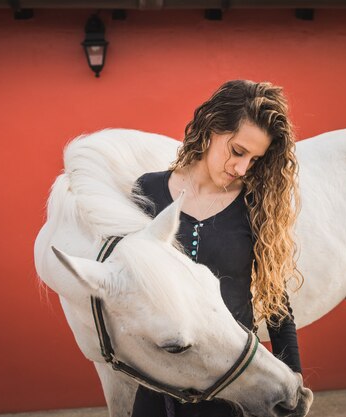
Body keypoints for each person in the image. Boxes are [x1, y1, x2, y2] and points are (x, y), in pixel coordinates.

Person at [130, 79, 304, 417]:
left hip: (232, 389)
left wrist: (293, 380)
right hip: (159, 389)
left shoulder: (255, 205)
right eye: (238, 151)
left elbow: (277, 306)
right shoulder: (146, 192)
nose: (241, 168)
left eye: (254, 160)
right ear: (211, 128)